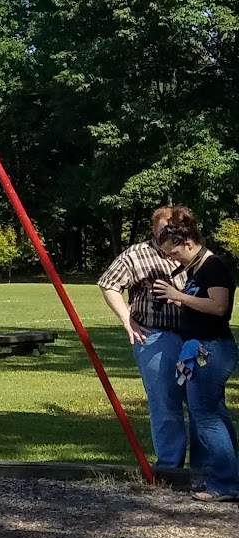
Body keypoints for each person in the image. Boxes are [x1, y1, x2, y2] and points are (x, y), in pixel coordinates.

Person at [149, 211, 237, 503]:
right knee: (216, 416)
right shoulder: (199, 268)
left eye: (173, 252)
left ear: (187, 242)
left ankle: (225, 483)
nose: (173, 259)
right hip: (202, 348)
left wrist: (180, 296)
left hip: (211, 349)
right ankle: (230, 477)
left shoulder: (213, 266)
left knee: (206, 417)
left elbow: (219, 307)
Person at [98, 205, 186, 472]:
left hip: (194, 336)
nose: (168, 233)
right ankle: (170, 468)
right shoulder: (137, 254)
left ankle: (206, 469)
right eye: (163, 228)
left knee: (200, 404)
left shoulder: (189, 251)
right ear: (153, 229)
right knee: (164, 401)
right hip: (154, 336)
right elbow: (108, 283)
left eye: (173, 228)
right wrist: (126, 319)